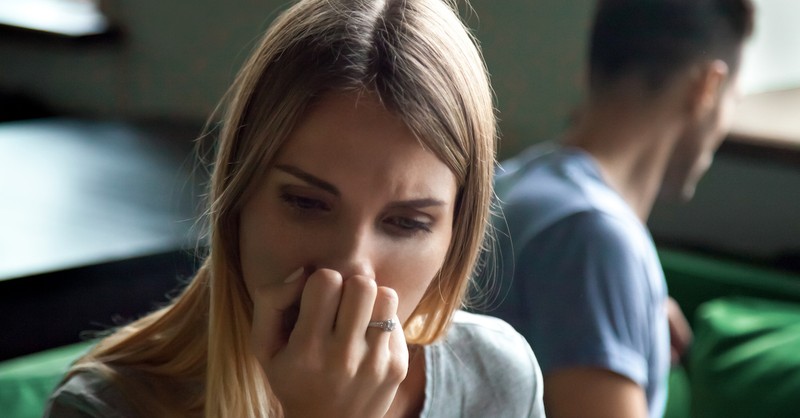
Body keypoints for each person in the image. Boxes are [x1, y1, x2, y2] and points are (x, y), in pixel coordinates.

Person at [44, 0, 546, 417]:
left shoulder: (495, 378)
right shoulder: (105, 407)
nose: (351, 266)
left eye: (407, 223)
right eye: (307, 203)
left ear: (456, 234)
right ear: (238, 196)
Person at [484, 1, 754, 417]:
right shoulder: (591, 237)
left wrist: (631, 309)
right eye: (733, 98)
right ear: (708, 88)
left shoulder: (517, 181)